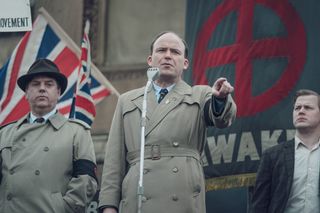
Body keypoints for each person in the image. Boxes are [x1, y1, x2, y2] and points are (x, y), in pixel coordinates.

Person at [98, 31, 237, 213]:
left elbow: (222, 118)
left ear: (185, 63)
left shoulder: (200, 94)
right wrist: (109, 206)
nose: (168, 56)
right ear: (150, 60)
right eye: (162, 50)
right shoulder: (127, 100)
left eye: (175, 52)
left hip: (181, 200)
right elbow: (113, 162)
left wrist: (220, 100)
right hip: (137, 200)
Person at [0, 58, 98, 213]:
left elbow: (86, 180)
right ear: (26, 92)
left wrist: (62, 208)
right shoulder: (5, 133)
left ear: (58, 92)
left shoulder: (77, 132)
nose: (42, 88)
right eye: (36, 84)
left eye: (49, 84)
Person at [251, 89, 320, 213]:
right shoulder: (272, 156)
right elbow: (259, 205)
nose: (301, 111)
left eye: (308, 107)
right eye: (297, 108)